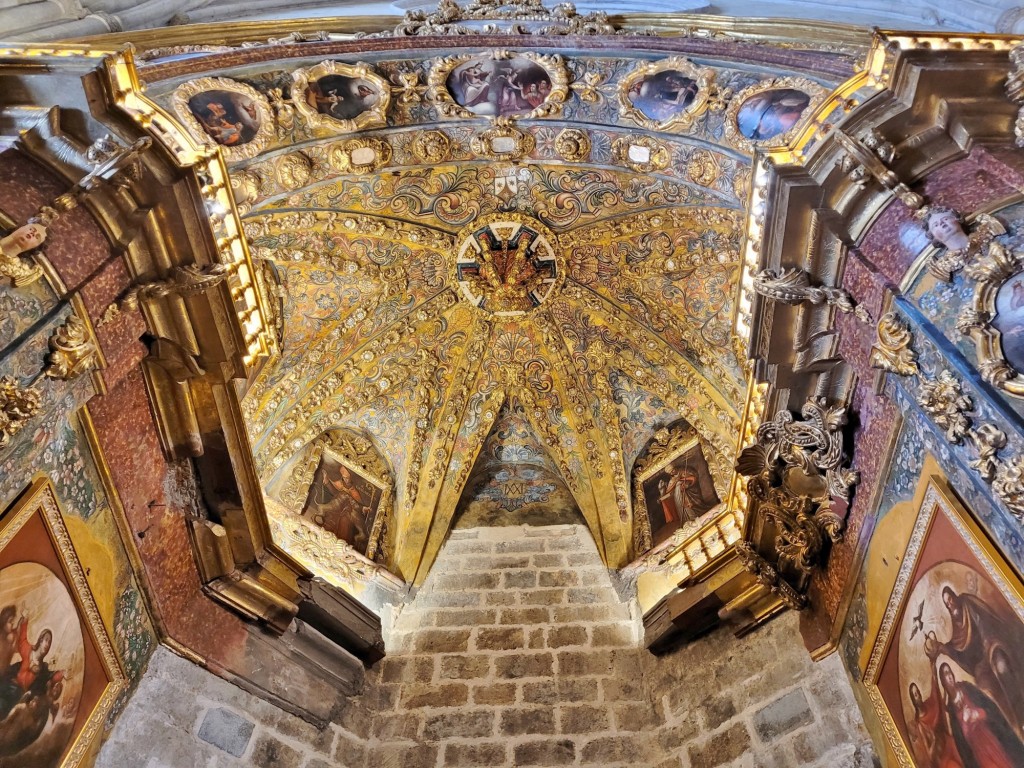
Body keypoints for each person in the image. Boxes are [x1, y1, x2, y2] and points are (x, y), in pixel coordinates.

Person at [925, 586, 1024, 734]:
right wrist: (941, 648)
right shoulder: (958, 628)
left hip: (991, 645)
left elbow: (986, 620)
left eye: (950, 598)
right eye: (947, 603)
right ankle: (1010, 729)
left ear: (955, 596)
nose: (950, 604)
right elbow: (959, 651)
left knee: (1000, 666)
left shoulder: (967, 603)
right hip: (982, 666)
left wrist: (987, 645)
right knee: (984, 688)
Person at [939, 662, 1024, 768]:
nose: (949, 676)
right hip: (977, 750)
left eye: (949, 672)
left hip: (990, 737)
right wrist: (966, 722)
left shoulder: (967, 689)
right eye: (945, 674)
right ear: (943, 682)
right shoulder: (952, 711)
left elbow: (989, 707)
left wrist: (977, 714)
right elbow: (962, 744)